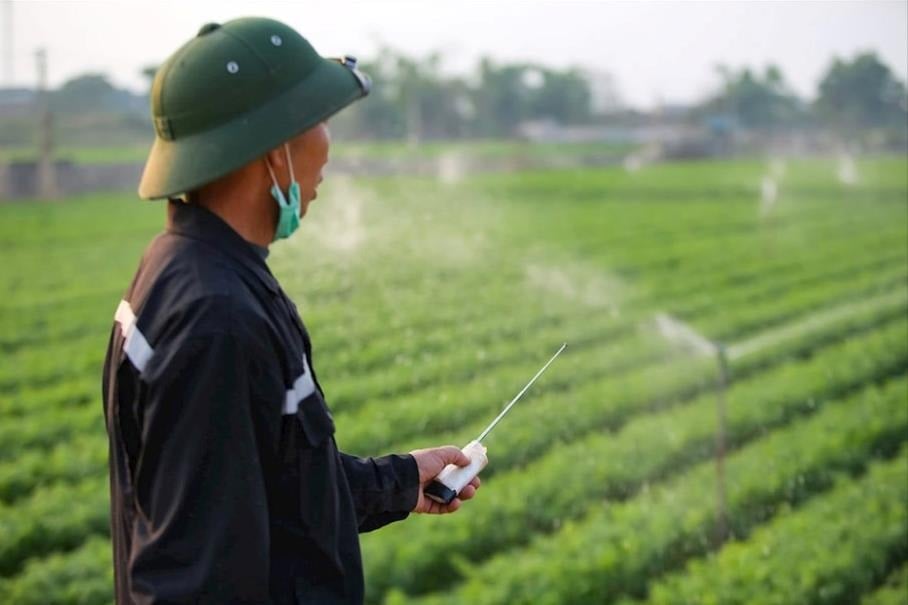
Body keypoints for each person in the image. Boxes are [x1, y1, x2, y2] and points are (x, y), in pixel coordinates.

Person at [101, 17, 480, 604]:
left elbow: (275, 479)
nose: (328, 147)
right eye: (318, 121)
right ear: (271, 149)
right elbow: (190, 581)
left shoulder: (191, 267)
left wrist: (401, 481)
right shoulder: (216, 318)